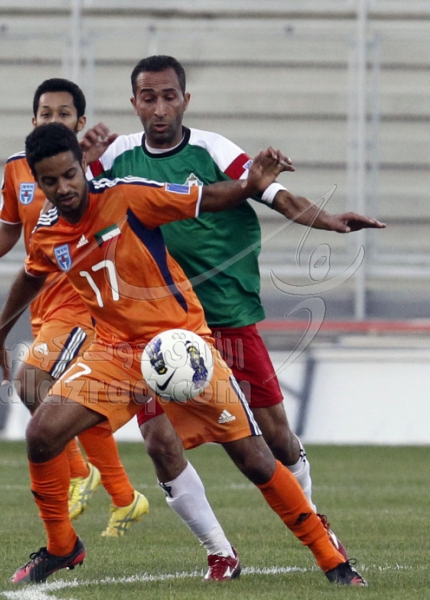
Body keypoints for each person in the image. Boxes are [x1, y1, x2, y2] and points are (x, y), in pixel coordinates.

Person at [0, 121, 367, 586]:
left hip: (181, 345)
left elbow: (205, 198)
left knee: (253, 457)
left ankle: (332, 559)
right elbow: (31, 274)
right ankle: (63, 547)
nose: (63, 187)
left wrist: (249, 185)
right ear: (38, 181)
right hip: (115, 351)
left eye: (69, 174)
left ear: (82, 166)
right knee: (42, 433)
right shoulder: (47, 230)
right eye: (50, 181)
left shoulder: (127, 196)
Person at [86, 55, 386, 555]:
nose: (159, 108)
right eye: (148, 98)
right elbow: (69, 195)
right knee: (159, 441)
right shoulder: (115, 156)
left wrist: (328, 220)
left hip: (224, 314)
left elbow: (271, 191)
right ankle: (219, 553)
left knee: (275, 436)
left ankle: (313, 517)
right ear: (133, 102)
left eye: (168, 97)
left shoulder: (213, 149)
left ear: (185, 99)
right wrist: (81, 154)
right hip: (155, 327)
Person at [0, 78, 148, 536]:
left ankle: (80, 473)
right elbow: (11, 229)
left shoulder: (91, 170)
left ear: (80, 122)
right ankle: (125, 498)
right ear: (33, 119)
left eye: (63, 114)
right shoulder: (17, 169)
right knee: (73, 402)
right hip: (44, 306)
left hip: (83, 303)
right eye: (46, 113)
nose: (53, 120)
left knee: (31, 384)